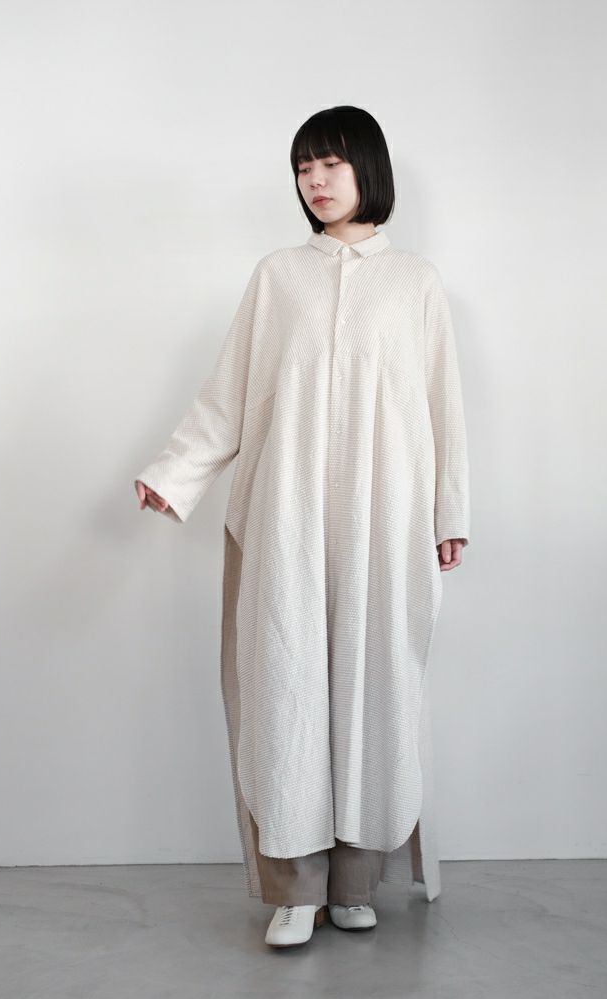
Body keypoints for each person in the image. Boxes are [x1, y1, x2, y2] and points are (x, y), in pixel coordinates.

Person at [133, 105, 471, 949]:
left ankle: (355, 884)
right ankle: (296, 888)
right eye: (303, 167)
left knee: (374, 686)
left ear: (367, 170)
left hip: (384, 519)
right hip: (286, 515)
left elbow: (444, 408)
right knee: (284, 683)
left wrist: (450, 512)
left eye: (329, 164)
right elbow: (229, 392)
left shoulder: (416, 282)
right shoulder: (278, 277)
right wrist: (175, 474)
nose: (314, 181)